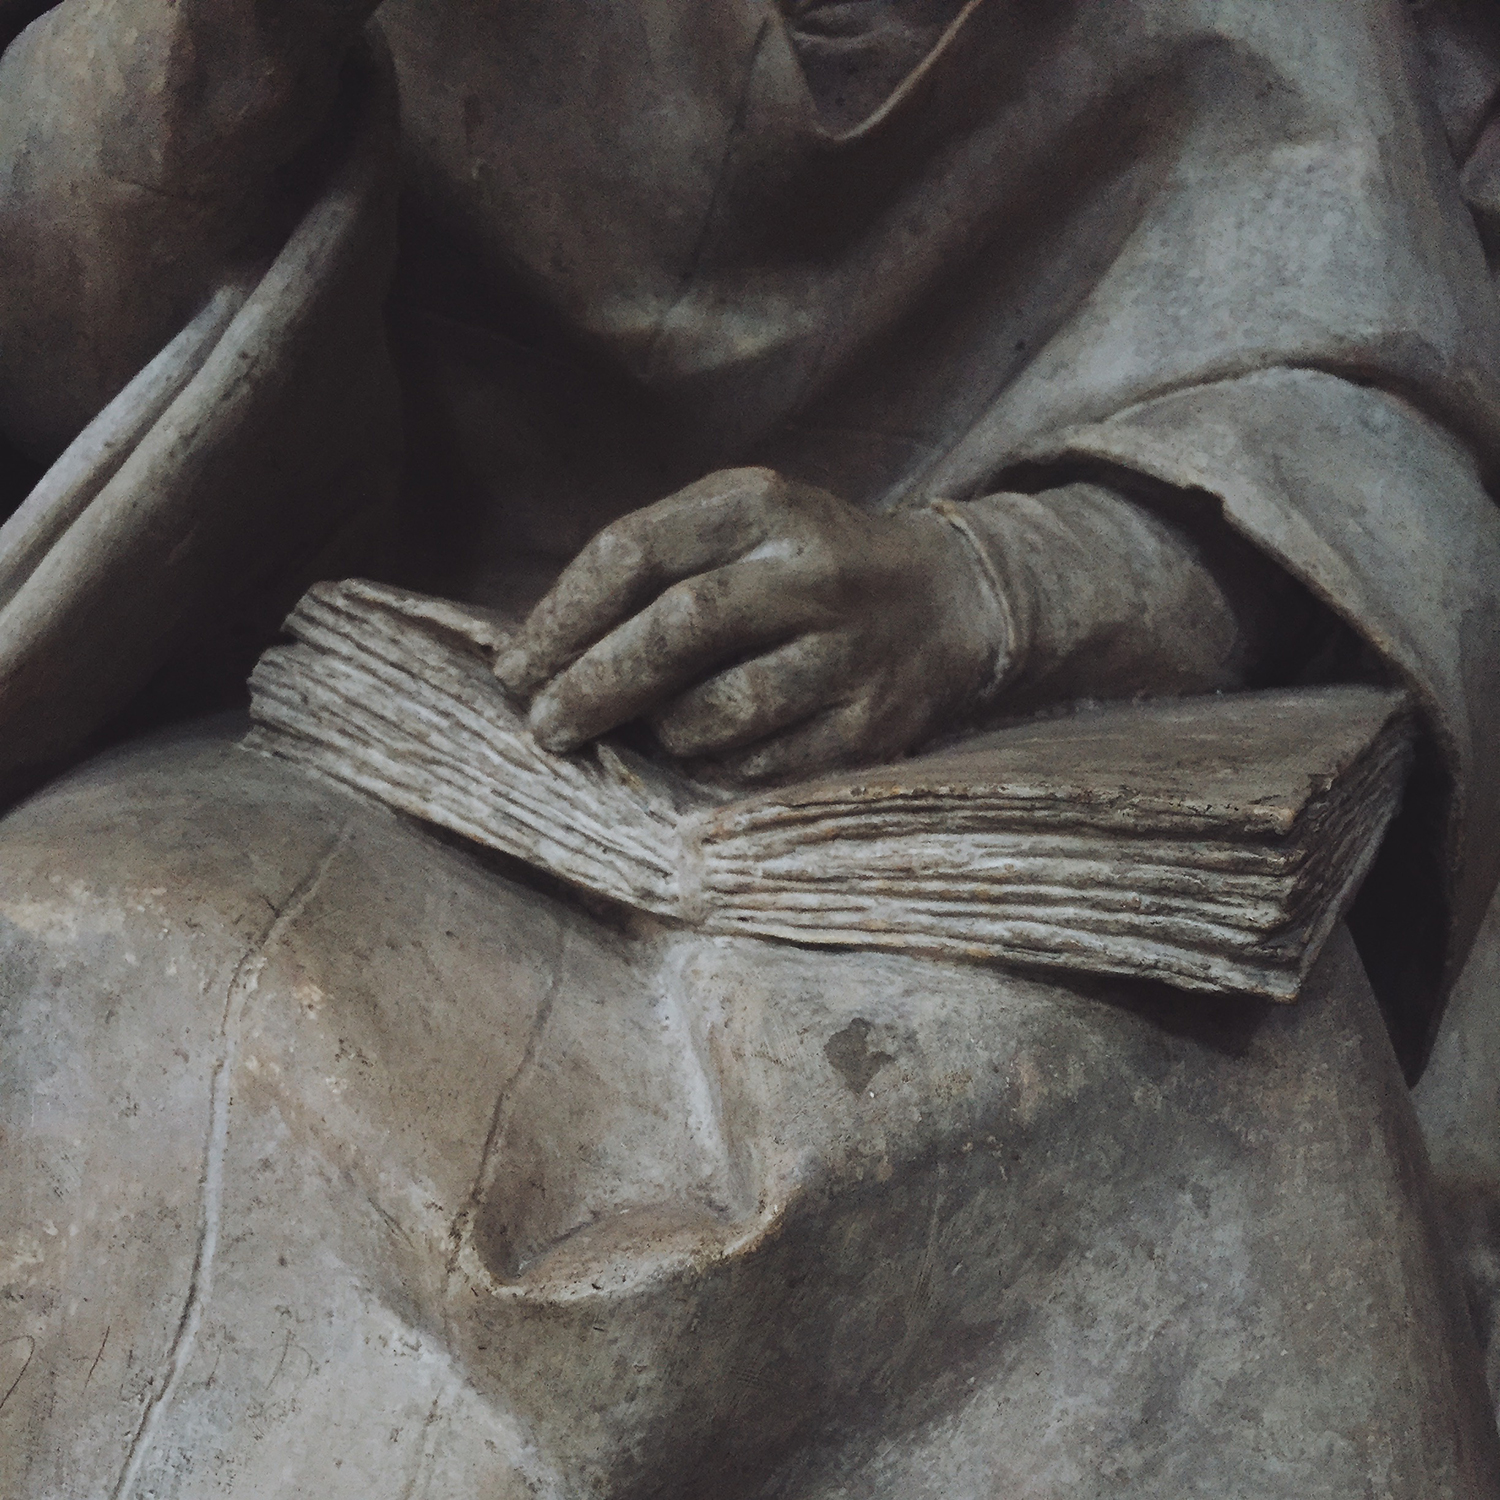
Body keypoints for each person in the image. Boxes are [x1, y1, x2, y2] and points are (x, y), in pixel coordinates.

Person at [2, 2, 1500, 1494]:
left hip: (1009, 811)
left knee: (1184, 1129)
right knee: (106, 965)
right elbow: (56, 354)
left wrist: (993, 587)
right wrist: (202, 59)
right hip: (393, 713)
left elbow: (1367, 422)